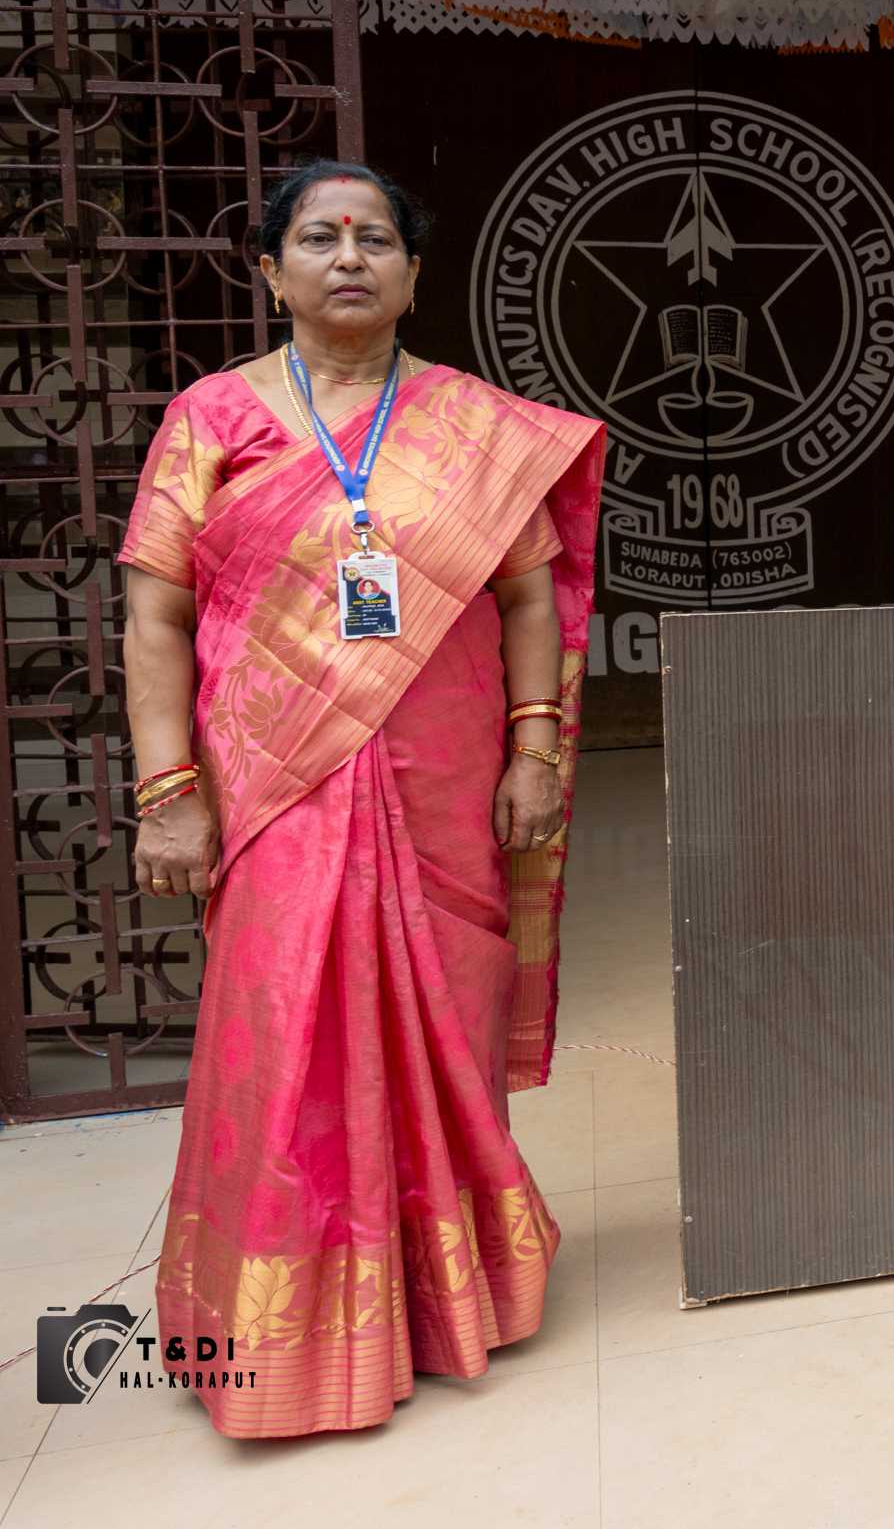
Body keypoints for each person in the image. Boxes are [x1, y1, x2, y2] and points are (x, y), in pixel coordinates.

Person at [120, 159, 605, 1438]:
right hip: (273, 774)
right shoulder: (214, 418)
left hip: (444, 777)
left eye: (375, 238)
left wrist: (536, 749)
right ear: (272, 269)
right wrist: (168, 785)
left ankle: (444, 1298)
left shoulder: (470, 427)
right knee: (286, 1030)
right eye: (319, 237)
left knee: (439, 1011)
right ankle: (277, 1333)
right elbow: (156, 612)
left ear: (412, 275)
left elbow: (526, 602)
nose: (349, 256)